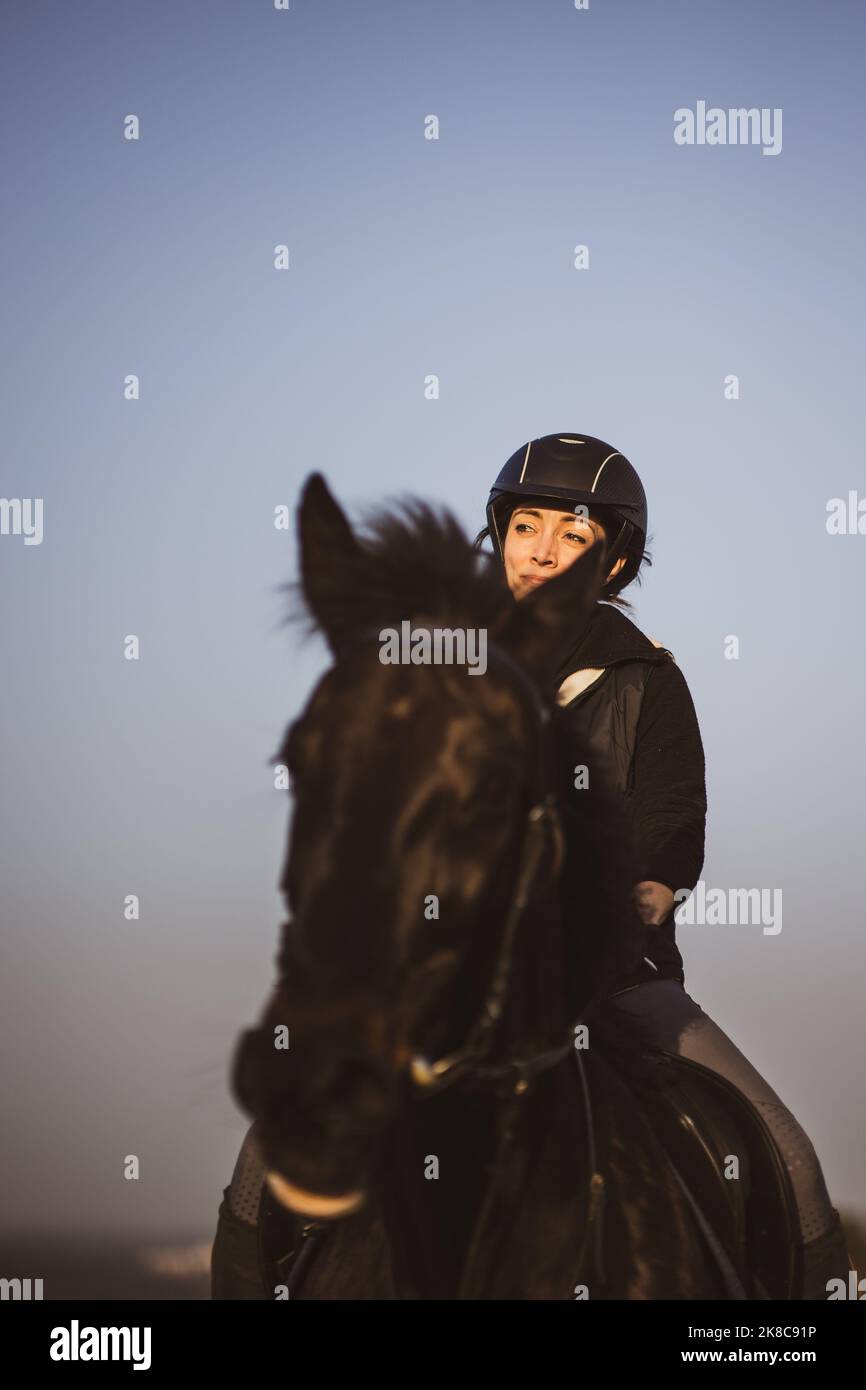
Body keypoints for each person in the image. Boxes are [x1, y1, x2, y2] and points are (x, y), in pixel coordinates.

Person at [476, 430, 850, 1300]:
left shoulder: (651, 681)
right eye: (527, 526)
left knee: (789, 1160)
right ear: (500, 537)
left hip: (612, 979)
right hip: (448, 982)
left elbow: (671, 828)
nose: (544, 550)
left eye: (574, 535)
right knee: (276, 1156)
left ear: (613, 563)